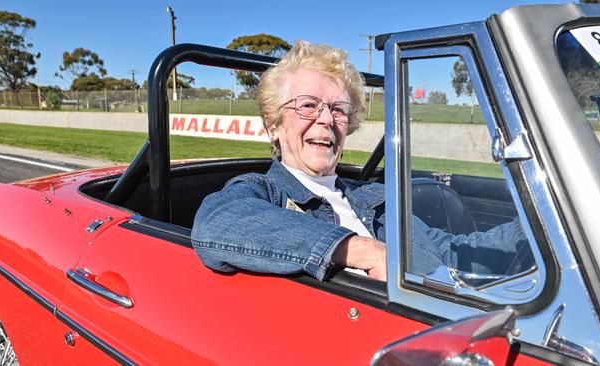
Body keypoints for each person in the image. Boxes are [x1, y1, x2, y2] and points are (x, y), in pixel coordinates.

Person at [191, 41, 529, 282]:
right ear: (274, 126)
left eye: (338, 109)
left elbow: (452, 253)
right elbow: (216, 223)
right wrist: (361, 250)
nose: (326, 119)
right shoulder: (261, 191)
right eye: (308, 105)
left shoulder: (374, 199)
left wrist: (536, 230)